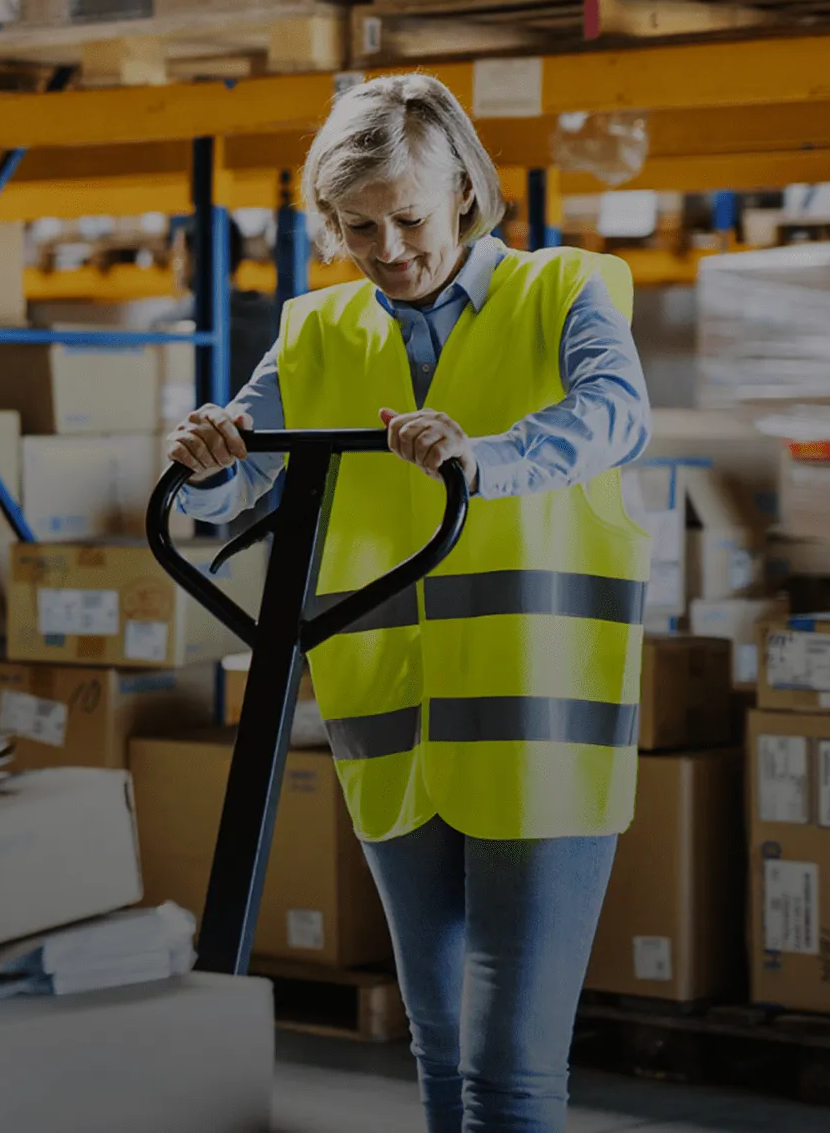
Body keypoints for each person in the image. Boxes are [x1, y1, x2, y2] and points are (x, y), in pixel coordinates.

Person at [165, 72, 652, 1133]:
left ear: (467, 190)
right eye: (358, 227)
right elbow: (233, 480)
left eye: (409, 218)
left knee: (512, 1076)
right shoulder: (316, 332)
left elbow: (616, 415)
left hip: (537, 723)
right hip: (389, 724)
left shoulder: (566, 290)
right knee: (439, 1057)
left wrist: (489, 457)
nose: (388, 250)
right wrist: (205, 459)